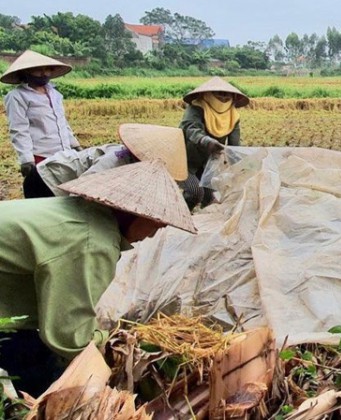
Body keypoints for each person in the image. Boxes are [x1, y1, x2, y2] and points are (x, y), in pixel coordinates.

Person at [0, 159, 196, 396]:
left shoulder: (85, 213)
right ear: (137, 214)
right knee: (40, 379)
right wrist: (107, 344)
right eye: (158, 223)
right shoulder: (93, 242)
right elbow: (67, 335)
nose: (156, 232)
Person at [33, 123, 196, 203]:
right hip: (48, 179)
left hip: (69, 182)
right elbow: (84, 188)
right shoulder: (118, 158)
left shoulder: (139, 166)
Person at [1, 50, 83, 198]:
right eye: (38, 70)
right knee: (46, 195)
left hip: (65, 154)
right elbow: (19, 129)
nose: (44, 74)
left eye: (47, 69)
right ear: (26, 72)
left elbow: (62, 121)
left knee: (67, 195)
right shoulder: (17, 97)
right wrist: (26, 159)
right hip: (42, 156)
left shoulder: (54, 94)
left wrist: (74, 144)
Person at [179, 76, 250, 207]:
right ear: (207, 94)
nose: (223, 97)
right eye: (219, 94)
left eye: (227, 94)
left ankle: (201, 216)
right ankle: (180, 215)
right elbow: (191, 128)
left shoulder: (232, 116)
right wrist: (207, 141)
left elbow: (235, 146)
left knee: (212, 197)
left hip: (209, 164)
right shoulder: (196, 108)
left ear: (233, 97)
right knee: (195, 193)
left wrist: (242, 168)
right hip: (185, 161)